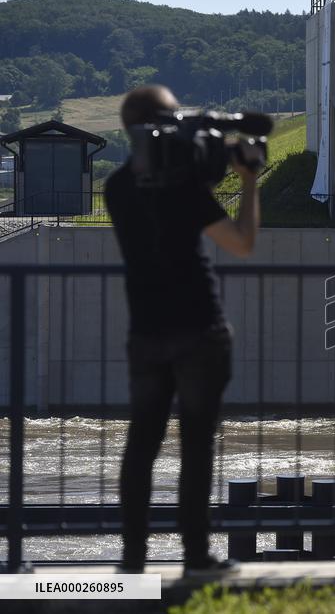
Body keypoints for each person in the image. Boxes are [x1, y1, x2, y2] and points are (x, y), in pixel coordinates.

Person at [105, 85, 260, 577]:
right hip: (200, 328)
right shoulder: (185, 187)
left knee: (141, 446)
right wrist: (249, 180)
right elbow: (240, 243)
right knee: (196, 448)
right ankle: (195, 557)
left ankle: (132, 562)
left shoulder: (116, 187)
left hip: (145, 333)